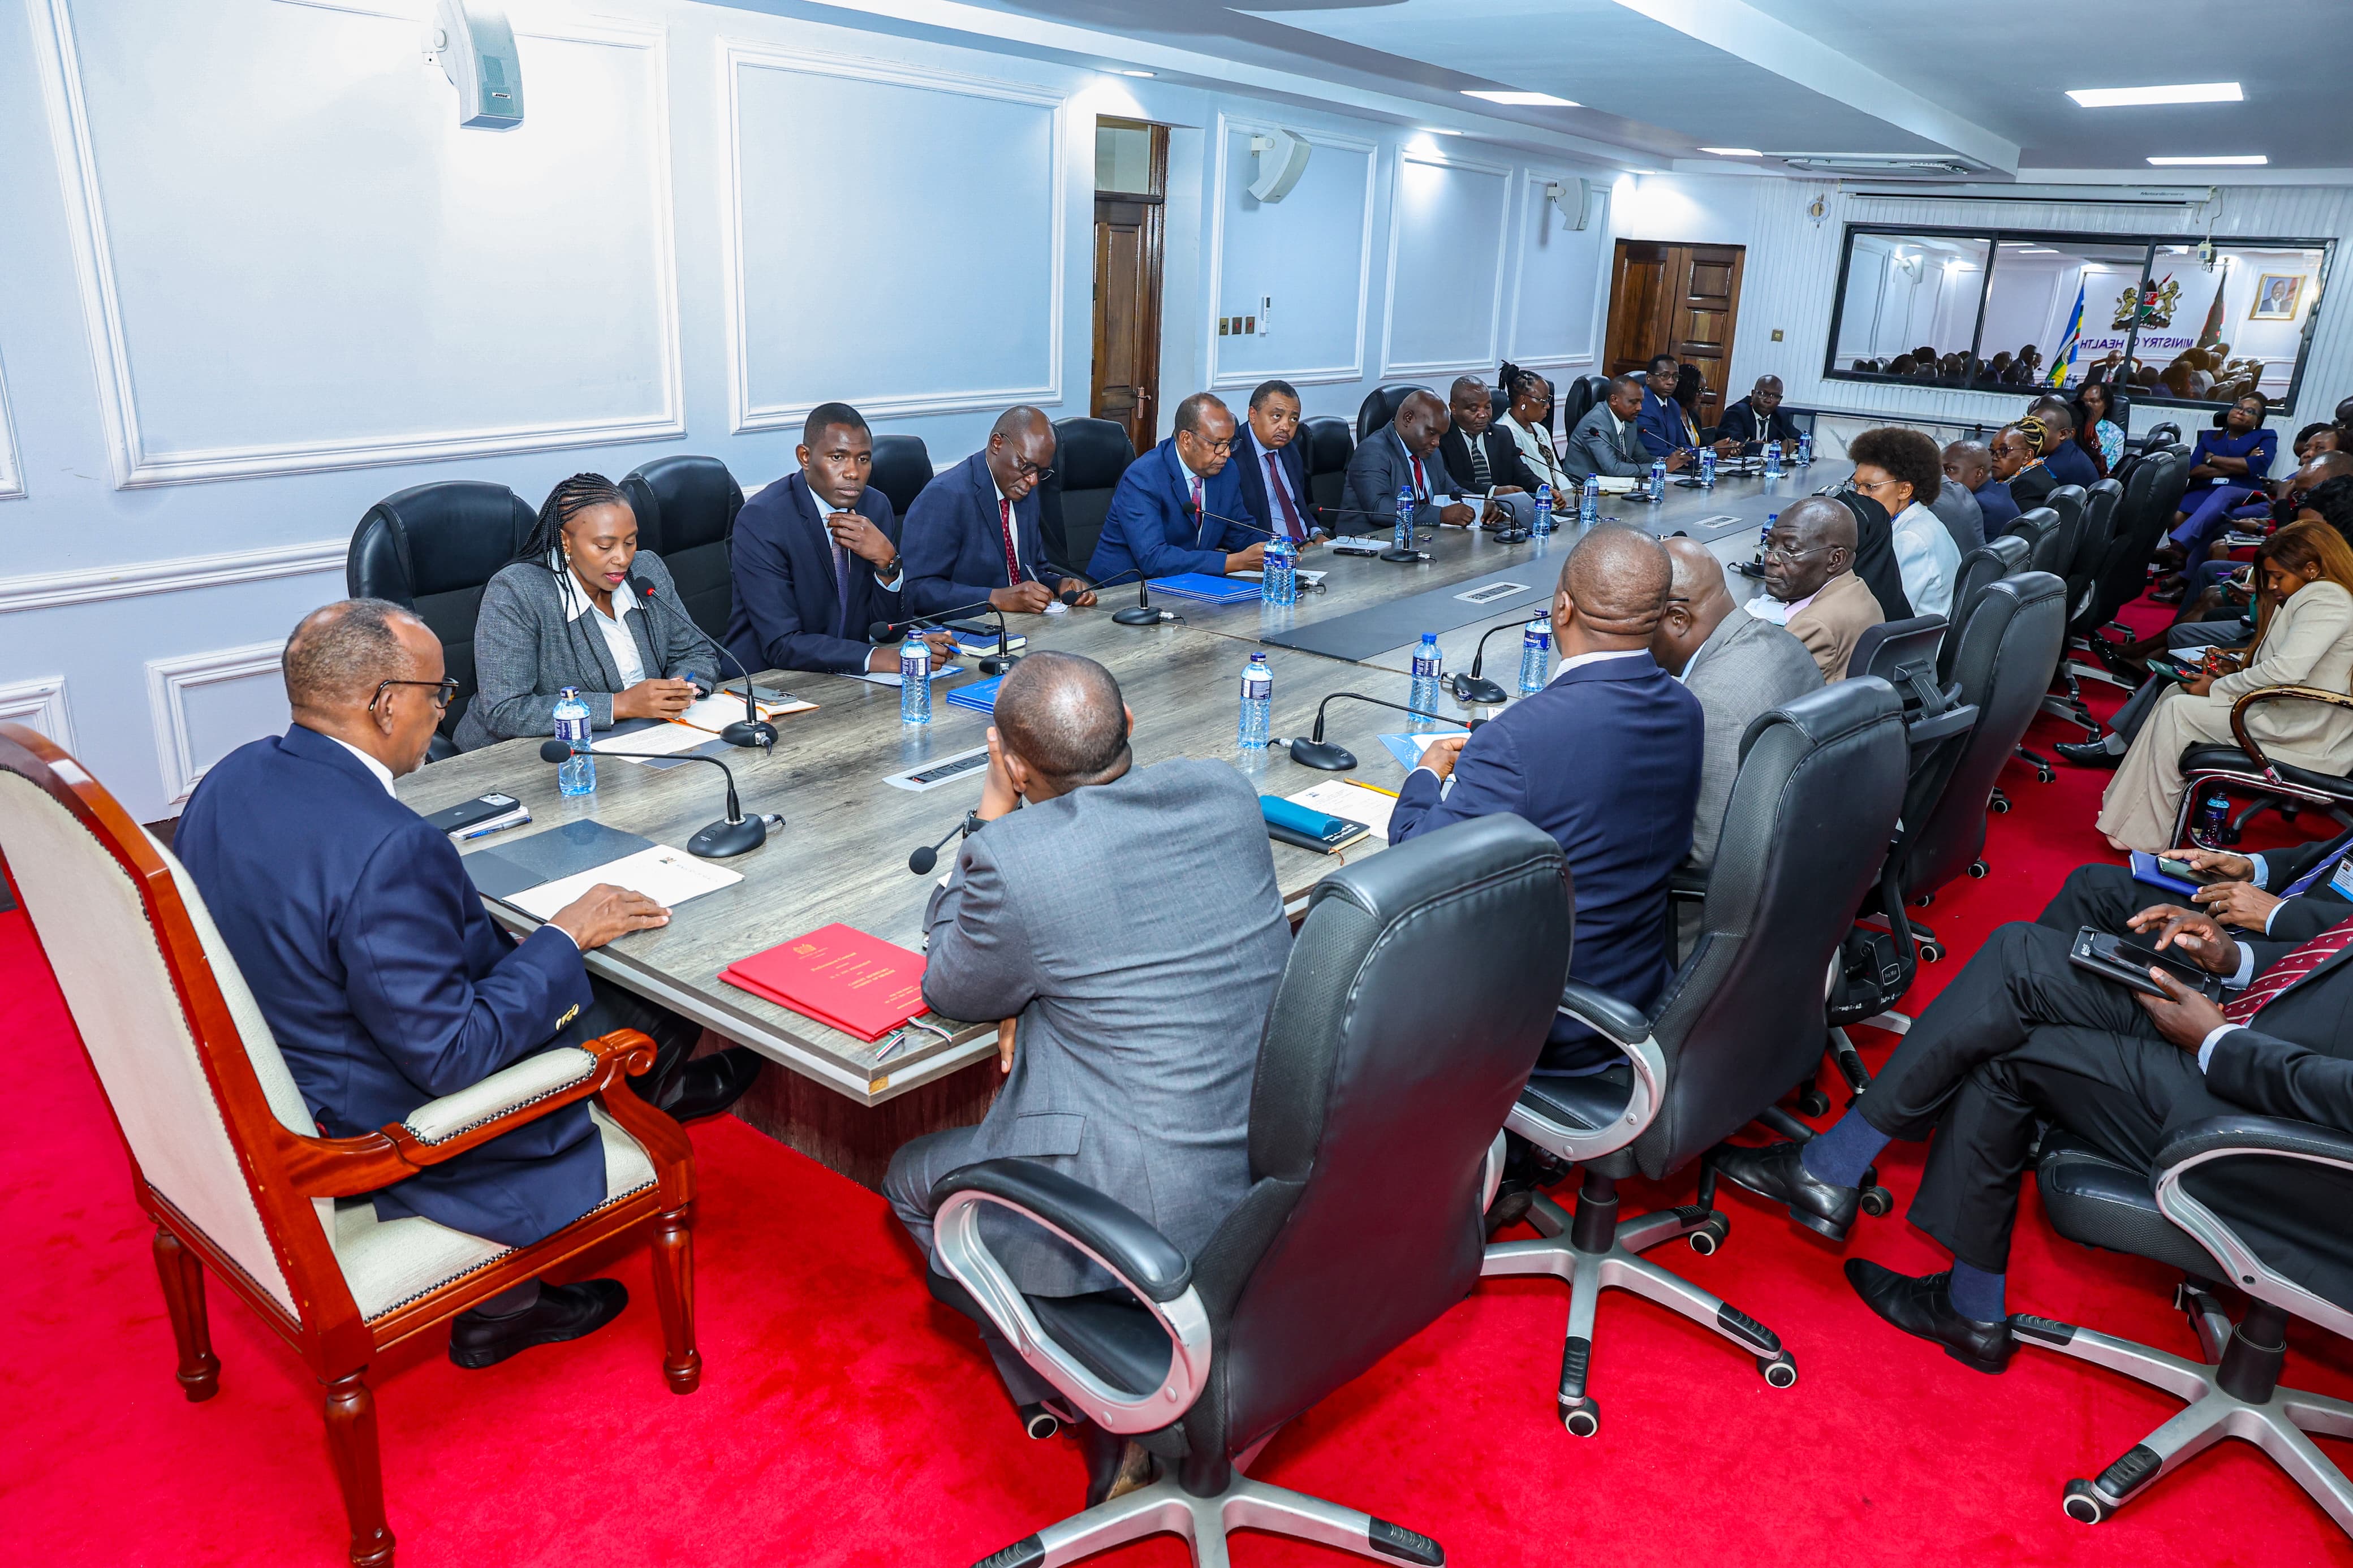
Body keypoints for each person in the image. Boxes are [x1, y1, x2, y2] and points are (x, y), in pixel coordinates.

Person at [176, 601, 761, 1369]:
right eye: (436, 692)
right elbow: (452, 1057)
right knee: (649, 995)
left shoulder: (231, 776)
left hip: (286, 1059)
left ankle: (639, 1106)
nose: (442, 709)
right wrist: (562, 936)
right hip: (382, 1119)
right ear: (384, 704)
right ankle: (530, 1268)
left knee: (551, 959)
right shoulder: (388, 847)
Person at [882, 652, 1288, 1502]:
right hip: (1272, 1164)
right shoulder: (1224, 792)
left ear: (1016, 762)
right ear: (1131, 725)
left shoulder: (1018, 858)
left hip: (1147, 1210)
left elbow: (951, 986)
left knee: (912, 1180)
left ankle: (1083, 1390)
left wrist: (992, 816)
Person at [1713, 883, 2353, 1372]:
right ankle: (1847, 1181)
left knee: (2008, 1051)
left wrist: (2217, 1039)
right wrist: (2235, 955)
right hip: (2259, 1042)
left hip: (2277, 1135)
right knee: (2018, 957)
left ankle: (1849, 1188)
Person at [1391, 527, 1700, 1079]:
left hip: (1546, 1018)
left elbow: (1415, 863)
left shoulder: (1516, 739)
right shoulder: (1684, 706)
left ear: (1561, 607)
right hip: (1645, 989)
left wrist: (1424, 774)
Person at [2096, 522, 2353, 853]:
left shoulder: (2325, 597)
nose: (2272, 585)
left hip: (2309, 729)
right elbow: (2287, 664)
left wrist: (2218, 688)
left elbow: (2287, 669)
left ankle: (2144, 833)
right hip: (2293, 712)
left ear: (2312, 568)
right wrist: (2233, 670)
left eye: (2278, 576)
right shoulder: (2320, 593)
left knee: (2179, 709)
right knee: (2175, 694)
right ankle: (2132, 817)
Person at [455, 474, 712, 751]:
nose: (623, 558)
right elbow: (505, 711)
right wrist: (620, 705)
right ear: (566, 541)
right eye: (605, 546)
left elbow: (695, 651)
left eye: (630, 542)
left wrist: (683, 686)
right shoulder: (519, 591)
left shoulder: (646, 570)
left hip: (643, 742)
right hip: (525, 759)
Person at [723, 403, 955, 677]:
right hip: (769, 681)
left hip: (848, 675)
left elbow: (889, 631)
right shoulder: (764, 518)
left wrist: (888, 564)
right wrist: (883, 659)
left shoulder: (876, 506)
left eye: (864, 459)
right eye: (837, 458)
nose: (853, 473)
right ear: (805, 457)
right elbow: (782, 644)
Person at [1650, 538, 1820, 879]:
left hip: (1721, 916)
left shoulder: (1709, 706)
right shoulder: (1783, 641)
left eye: (1639, 620)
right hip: (1804, 871)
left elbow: (1706, 856)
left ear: (1679, 619)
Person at [903, 406, 1096, 618]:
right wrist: (994, 598)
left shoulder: (1022, 489)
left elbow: (1033, 571)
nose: (1033, 481)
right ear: (997, 444)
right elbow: (917, 589)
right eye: (1027, 466)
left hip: (1025, 625)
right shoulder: (945, 496)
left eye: (1040, 472)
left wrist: (1060, 583)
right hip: (970, 631)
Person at [1087, 391, 1266, 584]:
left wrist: (1275, 547)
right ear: (1186, 440)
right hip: (1125, 590)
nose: (1227, 453)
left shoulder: (1226, 471)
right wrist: (1234, 562)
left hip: (1187, 584)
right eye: (1218, 444)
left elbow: (1239, 530)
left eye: (1230, 443)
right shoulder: (1144, 477)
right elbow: (1153, 559)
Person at [1748, 496, 1885, 681]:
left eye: (1790, 551)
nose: (1771, 559)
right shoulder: (1856, 588)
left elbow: (1760, 688)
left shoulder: (1814, 626)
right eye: (1770, 546)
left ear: (1835, 560)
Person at [1338, 389, 1505, 537]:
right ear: (1408, 418)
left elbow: (1453, 490)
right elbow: (1378, 508)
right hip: (1367, 545)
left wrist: (1480, 504)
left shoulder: (1430, 452)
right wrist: (1440, 515)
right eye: (1432, 433)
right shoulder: (1373, 450)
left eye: (1440, 436)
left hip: (1419, 541)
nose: (1437, 442)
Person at [1848, 427, 1962, 619]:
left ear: (1905, 490)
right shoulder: (1920, 521)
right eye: (1856, 486)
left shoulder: (1910, 540)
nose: (1859, 496)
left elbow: (1882, 613)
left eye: (1869, 487)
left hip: (1909, 646)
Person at [2158, 394, 2278, 564]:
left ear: (2257, 421)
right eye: (2238, 407)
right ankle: (2180, 561)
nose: (2241, 412)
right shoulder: (2209, 437)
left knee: (2216, 514)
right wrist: (2240, 465)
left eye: (2250, 411)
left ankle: (2181, 555)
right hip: (2203, 489)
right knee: (2177, 515)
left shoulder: (2266, 436)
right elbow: (2193, 470)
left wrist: (2211, 460)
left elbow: (2258, 465)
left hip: (2240, 491)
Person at [1436, 374, 1542, 532]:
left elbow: (1520, 472)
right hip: (1465, 523)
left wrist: (1542, 489)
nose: (1483, 414)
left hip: (1502, 518)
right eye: (1474, 409)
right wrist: (1493, 492)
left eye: (1487, 407)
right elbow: (1450, 483)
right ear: (1454, 408)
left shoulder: (1502, 435)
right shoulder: (1441, 439)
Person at [1231, 378, 1320, 545]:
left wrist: (1317, 532)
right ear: (1253, 415)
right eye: (1277, 416)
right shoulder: (1233, 455)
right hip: (1269, 553)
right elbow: (1236, 526)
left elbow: (1299, 507)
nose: (1286, 427)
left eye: (1294, 419)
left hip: (1307, 547)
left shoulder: (1290, 450)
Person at [1566, 373, 1683, 483]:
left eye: (1641, 402)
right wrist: (1661, 468)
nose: (1639, 408)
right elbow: (1613, 469)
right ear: (1614, 400)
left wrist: (1667, 461)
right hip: (1583, 487)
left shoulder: (1629, 421)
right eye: (1633, 402)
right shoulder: (1596, 424)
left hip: (1613, 485)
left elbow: (1642, 458)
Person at [1496, 362, 1575, 496]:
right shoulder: (1506, 431)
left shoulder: (1540, 429)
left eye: (1548, 400)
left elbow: (1557, 472)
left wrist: (1570, 496)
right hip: (1537, 500)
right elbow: (1525, 478)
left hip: (1557, 500)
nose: (1548, 406)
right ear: (1523, 400)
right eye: (1543, 400)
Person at [1636, 355, 1733, 461]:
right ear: (1649, 379)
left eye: (1675, 377)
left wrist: (1711, 452)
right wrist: (1710, 453)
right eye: (1664, 376)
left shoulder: (1673, 405)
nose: (1671, 382)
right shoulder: (1642, 406)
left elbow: (1682, 445)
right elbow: (1660, 453)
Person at [1946, 439, 2020, 535]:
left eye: (1950, 469)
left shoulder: (1978, 506)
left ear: (1979, 474)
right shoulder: (1999, 490)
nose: (1942, 476)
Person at [1714, 375, 1803, 455]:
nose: (1768, 400)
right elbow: (1735, 445)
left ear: (1780, 400)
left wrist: (1791, 445)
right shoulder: (1736, 412)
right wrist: (1777, 449)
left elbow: (1803, 441)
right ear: (1753, 394)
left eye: (1774, 396)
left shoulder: (1780, 415)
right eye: (1763, 394)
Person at [2027, 398, 2101, 489]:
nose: (2031, 436)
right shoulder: (2072, 453)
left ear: (2063, 434)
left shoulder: (2052, 468)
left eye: (2039, 431)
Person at [2002, 418, 2062, 511]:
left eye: (2004, 451)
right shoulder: (2036, 470)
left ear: (2027, 456)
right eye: (1992, 451)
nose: (1994, 457)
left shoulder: (2027, 485)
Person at [2073, 381, 2125, 473]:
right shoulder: (2070, 425)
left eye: (2094, 401)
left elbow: (2110, 470)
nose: (2087, 405)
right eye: (2084, 401)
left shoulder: (2115, 434)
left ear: (2106, 405)